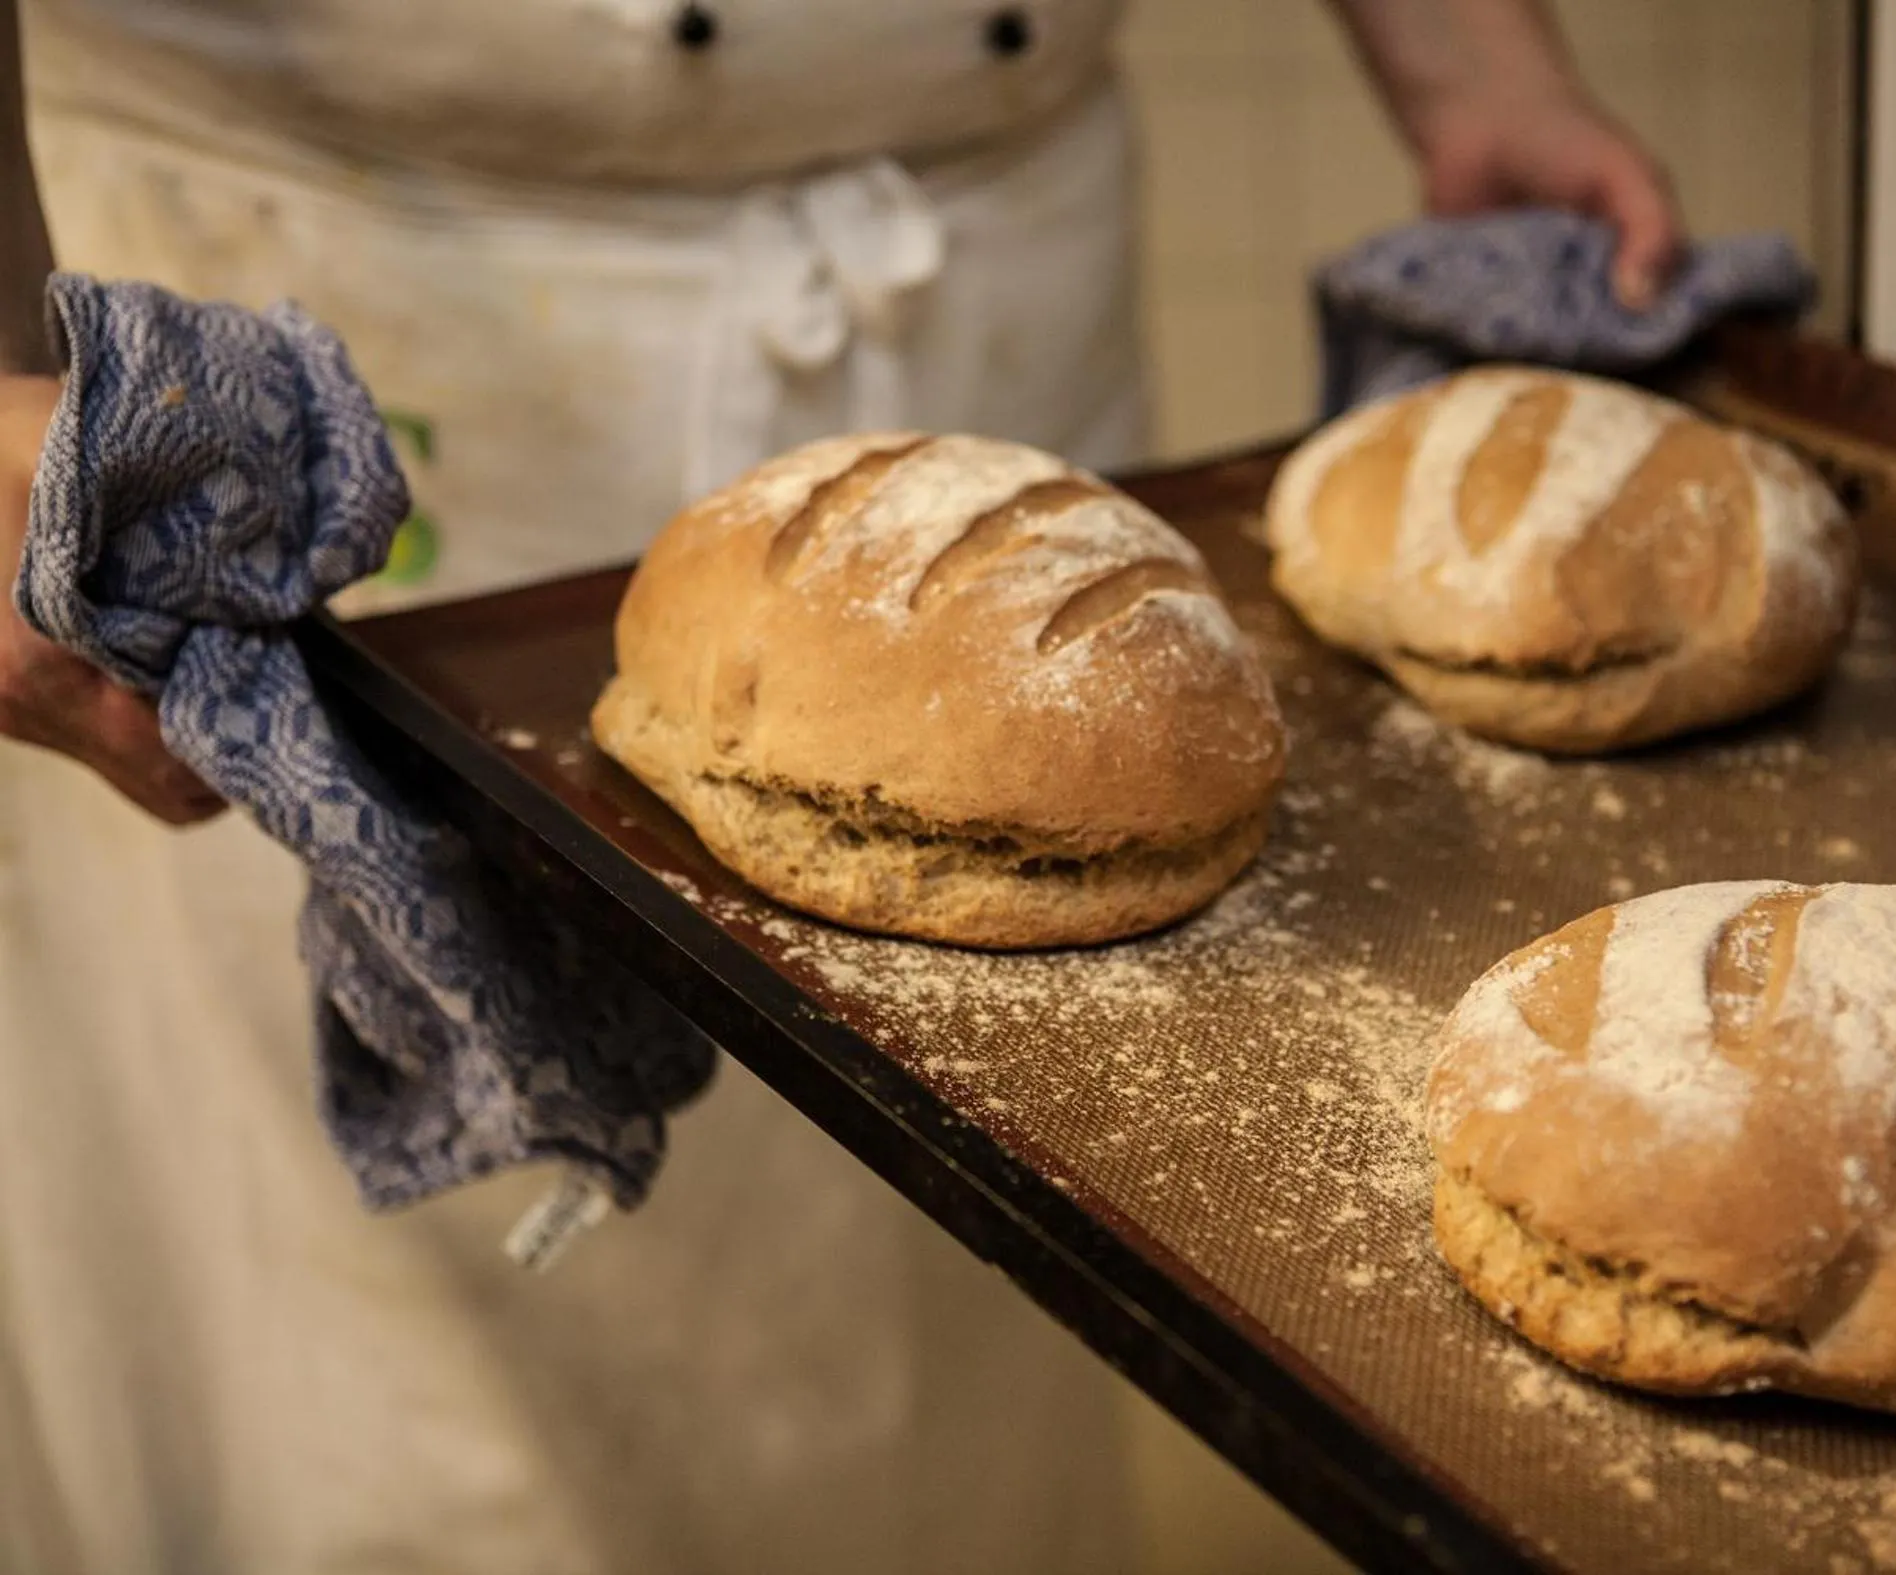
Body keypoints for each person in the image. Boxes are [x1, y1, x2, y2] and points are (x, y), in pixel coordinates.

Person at [0, 2, 1682, 1569]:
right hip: (357, 321)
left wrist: (1473, 64)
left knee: (974, 1347)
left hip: (1001, 318)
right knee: (418, 1399)